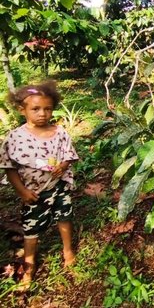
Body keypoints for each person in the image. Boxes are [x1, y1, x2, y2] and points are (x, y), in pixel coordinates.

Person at [0, 81, 78, 288]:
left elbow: (68, 155)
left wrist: (63, 165)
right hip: (34, 193)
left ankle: (68, 250)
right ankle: (29, 264)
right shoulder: (15, 138)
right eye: (35, 109)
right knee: (31, 230)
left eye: (48, 108)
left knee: (65, 218)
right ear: (21, 110)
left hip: (58, 187)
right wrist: (22, 191)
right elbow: (9, 168)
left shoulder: (59, 132)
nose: (42, 113)